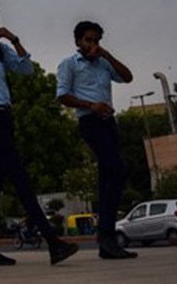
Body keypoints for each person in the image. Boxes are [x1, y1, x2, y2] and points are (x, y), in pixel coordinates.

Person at [0, 0, 78, 267]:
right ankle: (53, 242)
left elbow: (26, 69)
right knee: (20, 179)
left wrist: (14, 39)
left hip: (3, 117)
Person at [57, 20, 136, 259]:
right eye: (88, 40)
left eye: (96, 40)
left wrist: (107, 55)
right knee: (118, 169)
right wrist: (91, 105)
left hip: (109, 122)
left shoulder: (103, 63)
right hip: (90, 121)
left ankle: (106, 242)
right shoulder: (70, 63)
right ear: (78, 41)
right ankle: (105, 234)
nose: (92, 44)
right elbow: (62, 95)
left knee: (107, 177)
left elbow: (128, 77)